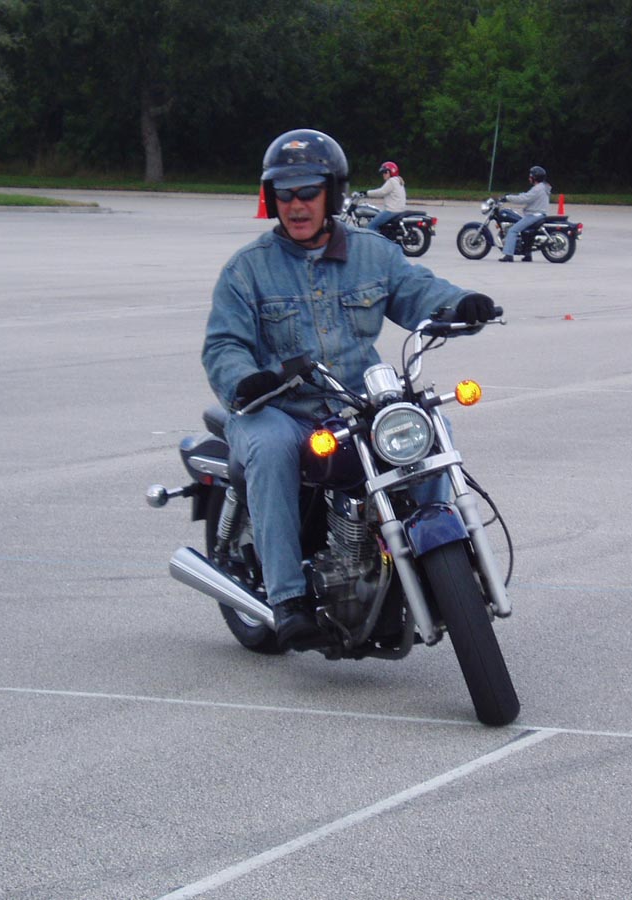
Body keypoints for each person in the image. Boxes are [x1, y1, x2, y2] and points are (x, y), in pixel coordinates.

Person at [201, 128, 497, 649]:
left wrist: (461, 304)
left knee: (433, 428)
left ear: (333, 193)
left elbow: (420, 291)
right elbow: (223, 344)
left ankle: (433, 563)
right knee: (271, 447)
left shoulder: (373, 254)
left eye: (308, 191)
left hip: (356, 404)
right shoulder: (247, 270)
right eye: (284, 193)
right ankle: (287, 597)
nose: (296, 204)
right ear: (271, 197)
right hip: (279, 407)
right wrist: (245, 378)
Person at [498, 165, 552, 262]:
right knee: (526, 232)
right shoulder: (543, 187)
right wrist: (515, 195)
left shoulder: (538, 189)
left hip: (534, 215)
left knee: (512, 230)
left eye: (530, 176)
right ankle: (527, 254)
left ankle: (508, 255)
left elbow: (524, 199)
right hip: (539, 214)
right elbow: (527, 195)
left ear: (535, 177)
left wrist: (508, 198)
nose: (529, 178)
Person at [359, 160, 406, 233]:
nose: (383, 174)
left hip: (391, 211)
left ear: (391, 172)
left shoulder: (391, 181)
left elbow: (381, 192)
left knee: (371, 226)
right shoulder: (398, 180)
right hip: (398, 210)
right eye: (383, 173)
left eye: (385, 172)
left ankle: (375, 239)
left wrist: (366, 193)